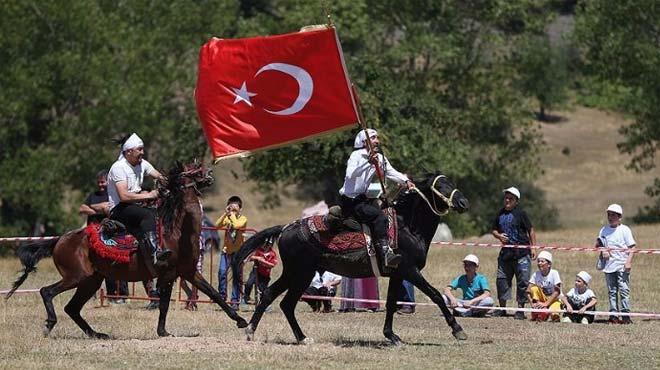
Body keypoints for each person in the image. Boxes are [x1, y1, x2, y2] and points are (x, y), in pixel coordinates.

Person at [339, 129, 415, 269]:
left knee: (389, 212)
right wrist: (367, 163)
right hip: (350, 200)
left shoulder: (379, 157)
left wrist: (406, 181)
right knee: (379, 217)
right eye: (373, 138)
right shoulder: (355, 155)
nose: (377, 141)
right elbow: (350, 175)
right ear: (364, 141)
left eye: (377, 138)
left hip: (363, 199)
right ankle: (385, 254)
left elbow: (392, 172)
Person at [107, 133, 170, 276]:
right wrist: (149, 195)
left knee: (159, 213)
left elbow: (160, 177)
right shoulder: (118, 167)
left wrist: (175, 180)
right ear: (129, 151)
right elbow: (123, 196)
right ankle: (155, 253)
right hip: (118, 209)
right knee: (148, 215)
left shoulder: (143, 164)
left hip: (135, 206)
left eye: (142, 149)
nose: (143, 152)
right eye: (140, 149)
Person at [80, 170, 127, 304]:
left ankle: (119, 295)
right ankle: (93, 293)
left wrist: (94, 208)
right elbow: (82, 208)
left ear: (108, 182)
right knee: (91, 265)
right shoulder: (93, 195)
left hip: (109, 236)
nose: (101, 185)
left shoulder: (113, 194)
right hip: (92, 236)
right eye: (99, 182)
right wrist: (97, 208)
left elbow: (108, 208)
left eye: (103, 182)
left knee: (112, 264)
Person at [491, 186, 536, 320]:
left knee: (522, 282)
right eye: (506, 198)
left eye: (511, 198)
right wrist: (499, 236)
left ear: (516, 201)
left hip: (522, 253)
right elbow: (493, 230)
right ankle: (503, 308)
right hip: (505, 254)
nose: (507, 200)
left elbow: (531, 230)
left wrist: (533, 248)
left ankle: (520, 310)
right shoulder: (500, 213)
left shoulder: (521, 213)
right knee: (502, 280)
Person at [597, 204, 636, 324]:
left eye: (613, 215)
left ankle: (625, 315)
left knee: (624, 290)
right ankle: (613, 314)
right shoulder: (604, 230)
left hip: (622, 265)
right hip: (609, 266)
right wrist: (603, 250)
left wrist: (628, 262)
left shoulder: (625, 230)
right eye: (609, 214)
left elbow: (632, 247)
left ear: (619, 217)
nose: (610, 217)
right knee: (612, 291)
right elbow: (598, 244)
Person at [216, 195, 248, 310]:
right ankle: (222, 297)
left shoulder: (243, 219)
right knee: (222, 272)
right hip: (226, 251)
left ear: (240, 209)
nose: (232, 212)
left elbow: (237, 225)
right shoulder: (227, 217)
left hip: (238, 252)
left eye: (235, 209)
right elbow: (216, 226)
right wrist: (225, 214)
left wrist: (232, 216)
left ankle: (235, 301)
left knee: (236, 277)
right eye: (231, 209)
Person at [527, 251, 562, 322]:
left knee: (555, 317)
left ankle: (547, 312)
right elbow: (528, 290)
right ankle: (540, 310)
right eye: (538, 261)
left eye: (542, 261)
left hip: (554, 300)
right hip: (541, 301)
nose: (539, 263)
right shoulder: (536, 274)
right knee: (534, 288)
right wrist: (532, 304)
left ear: (549, 264)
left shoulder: (554, 273)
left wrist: (546, 304)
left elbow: (557, 291)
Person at [243, 236, 278, 305]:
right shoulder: (259, 250)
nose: (264, 245)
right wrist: (258, 258)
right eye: (264, 243)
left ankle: (264, 304)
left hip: (265, 275)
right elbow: (250, 258)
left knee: (263, 290)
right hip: (255, 272)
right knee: (248, 284)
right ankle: (246, 297)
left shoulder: (272, 254)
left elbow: (272, 265)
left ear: (270, 245)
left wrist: (263, 261)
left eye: (267, 244)